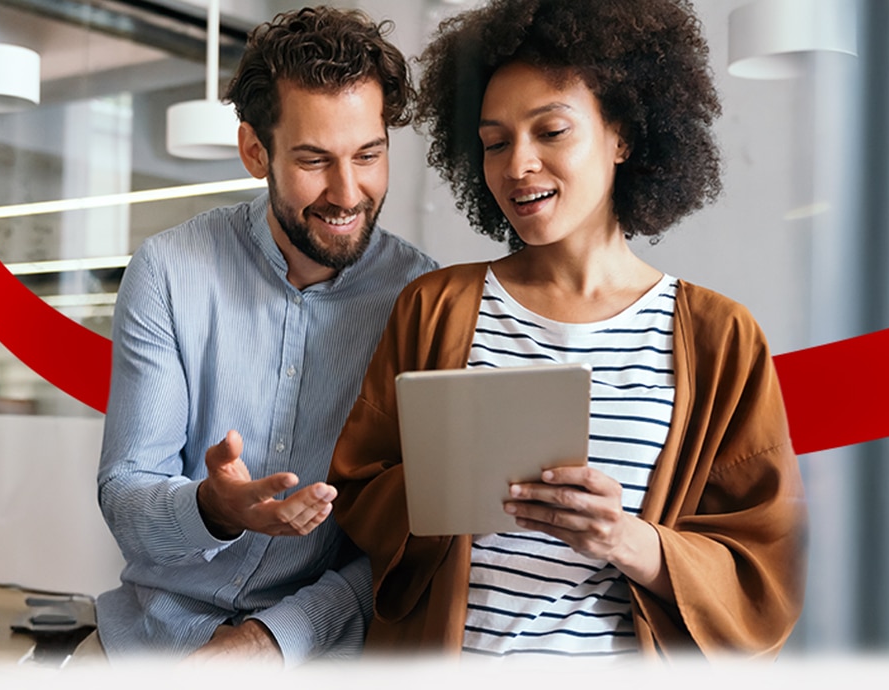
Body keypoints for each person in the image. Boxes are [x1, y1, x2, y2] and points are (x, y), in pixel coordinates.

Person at [328, 0, 806, 662]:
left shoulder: (719, 338)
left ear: (623, 136)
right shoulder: (434, 306)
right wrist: (451, 482)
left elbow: (765, 565)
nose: (517, 164)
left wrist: (626, 539)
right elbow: (356, 491)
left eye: (550, 131)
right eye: (495, 142)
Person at [92, 6, 437, 666]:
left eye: (369, 155)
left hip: (318, 653)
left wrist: (274, 639)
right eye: (314, 159)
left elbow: (414, 540)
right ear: (256, 151)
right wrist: (213, 509)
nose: (347, 192)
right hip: (149, 645)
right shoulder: (169, 270)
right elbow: (125, 493)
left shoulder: (422, 299)